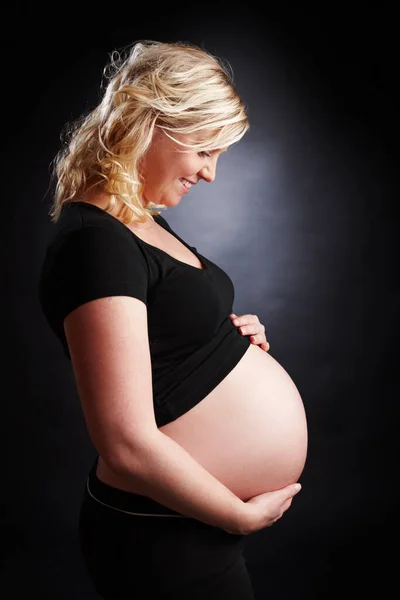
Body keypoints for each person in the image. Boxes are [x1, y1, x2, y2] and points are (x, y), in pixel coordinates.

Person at [38, 40, 303, 599]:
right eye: (205, 150)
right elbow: (126, 443)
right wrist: (237, 516)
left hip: (184, 526)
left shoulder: (134, 224)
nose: (210, 174)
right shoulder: (95, 243)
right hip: (159, 537)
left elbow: (162, 346)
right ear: (153, 123)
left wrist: (225, 339)